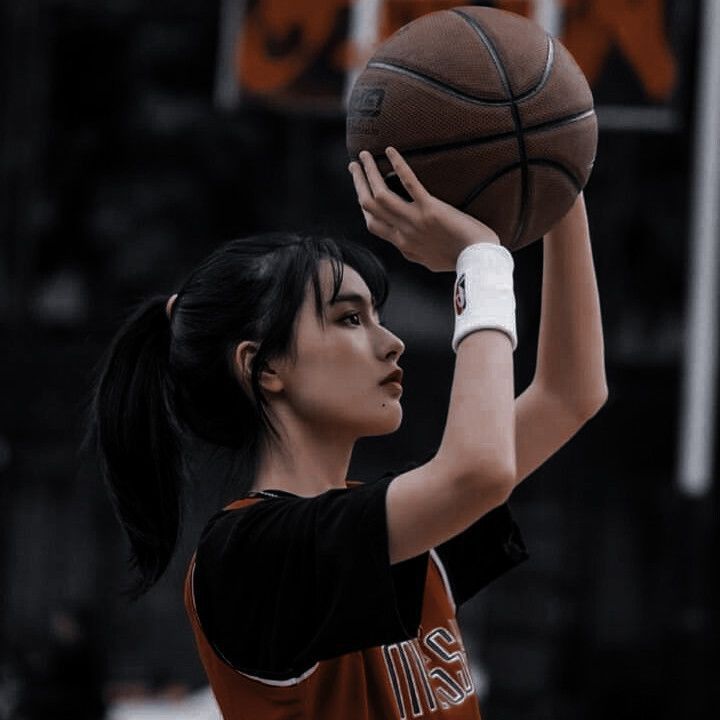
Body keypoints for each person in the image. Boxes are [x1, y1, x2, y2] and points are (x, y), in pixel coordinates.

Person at [85, 146, 607, 718]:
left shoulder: (394, 528)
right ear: (264, 367)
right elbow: (478, 469)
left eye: (377, 316)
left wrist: (561, 177)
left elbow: (569, 395)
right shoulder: (247, 555)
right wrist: (480, 262)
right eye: (351, 319)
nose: (392, 342)